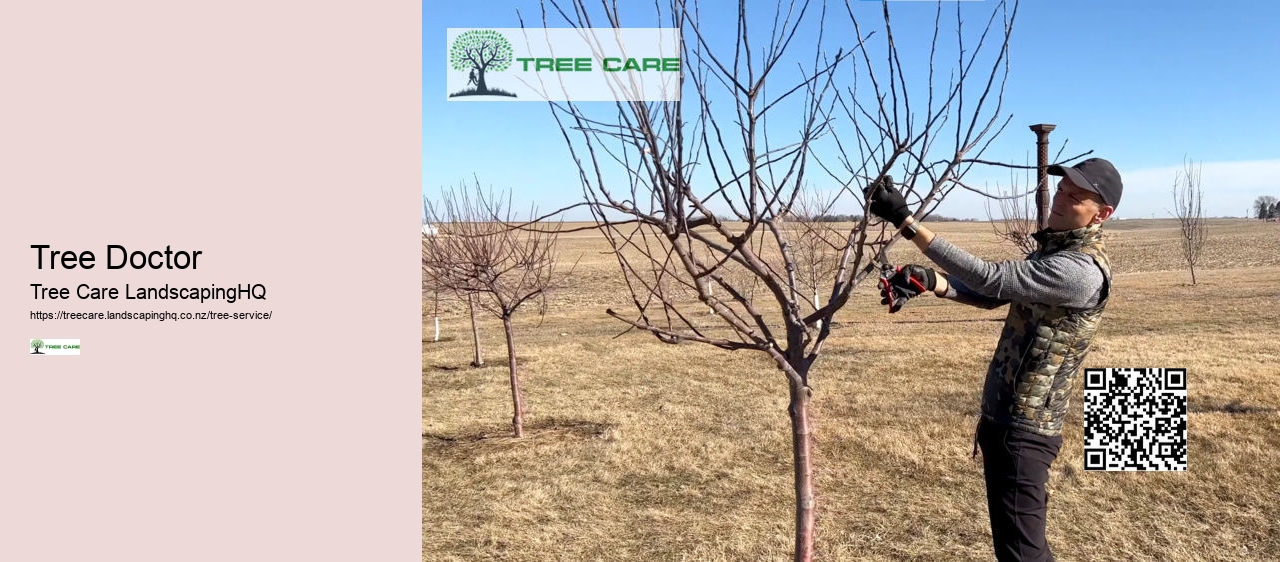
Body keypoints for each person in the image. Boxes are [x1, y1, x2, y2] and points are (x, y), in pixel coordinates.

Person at [864, 158, 1123, 562]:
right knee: (1020, 547)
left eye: (1075, 196)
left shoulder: (1080, 270)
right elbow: (991, 296)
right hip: (1008, 423)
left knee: (1023, 554)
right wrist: (932, 282)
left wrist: (906, 222)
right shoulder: (1053, 253)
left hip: (1024, 429)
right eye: (1061, 188)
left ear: (1101, 215)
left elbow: (993, 278)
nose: (1060, 198)